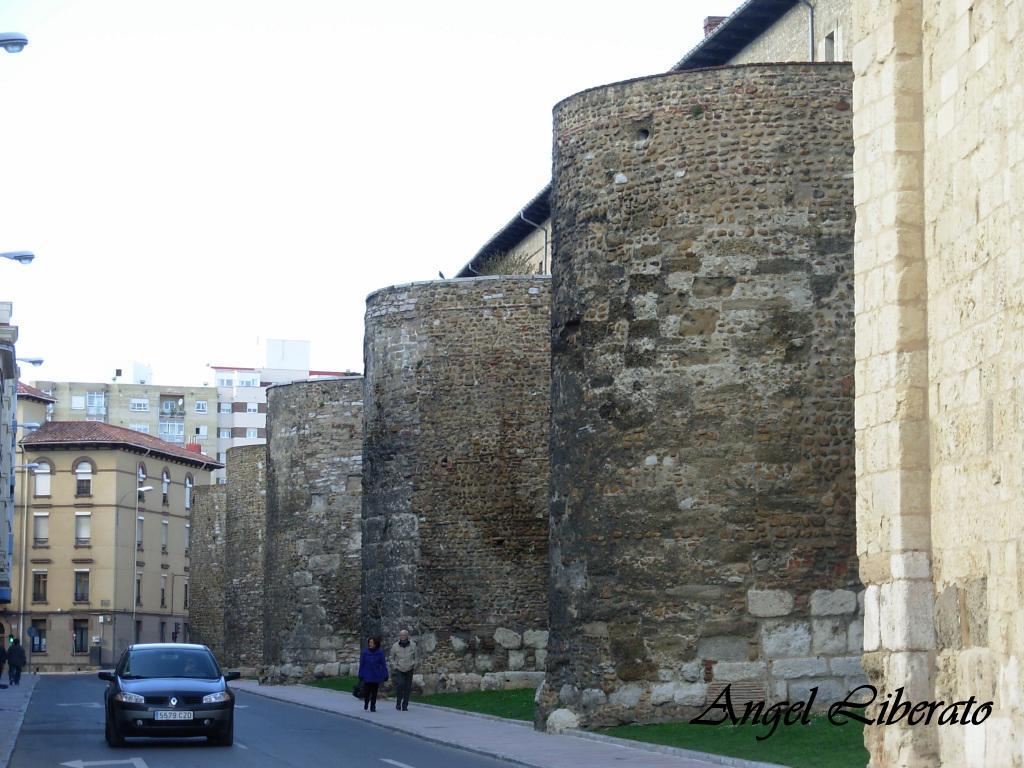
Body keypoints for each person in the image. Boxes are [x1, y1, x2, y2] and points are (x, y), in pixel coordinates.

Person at [357, 636, 388, 712]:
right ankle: (366, 702)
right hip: (367, 674)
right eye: (369, 642)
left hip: (376, 674)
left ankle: (373, 706)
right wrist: (360, 674)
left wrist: (385, 674)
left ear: (375, 644)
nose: (370, 644)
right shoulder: (365, 652)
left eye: (372, 642)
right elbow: (362, 664)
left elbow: (383, 664)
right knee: (367, 691)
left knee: (374, 692)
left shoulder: (380, 653)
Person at [389, 629, 417, 711]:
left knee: (408, 688)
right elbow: (391, 657)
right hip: (399, 669)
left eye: (404, 635)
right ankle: (398, 703)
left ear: (407, 636)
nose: (402, 637)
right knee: (400, 685)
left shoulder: (413, 645)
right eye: (401, 635)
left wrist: (414, 664)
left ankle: (405, 705)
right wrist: (395, 666)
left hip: (409, 668)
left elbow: (417, 656)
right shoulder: (395, 646)